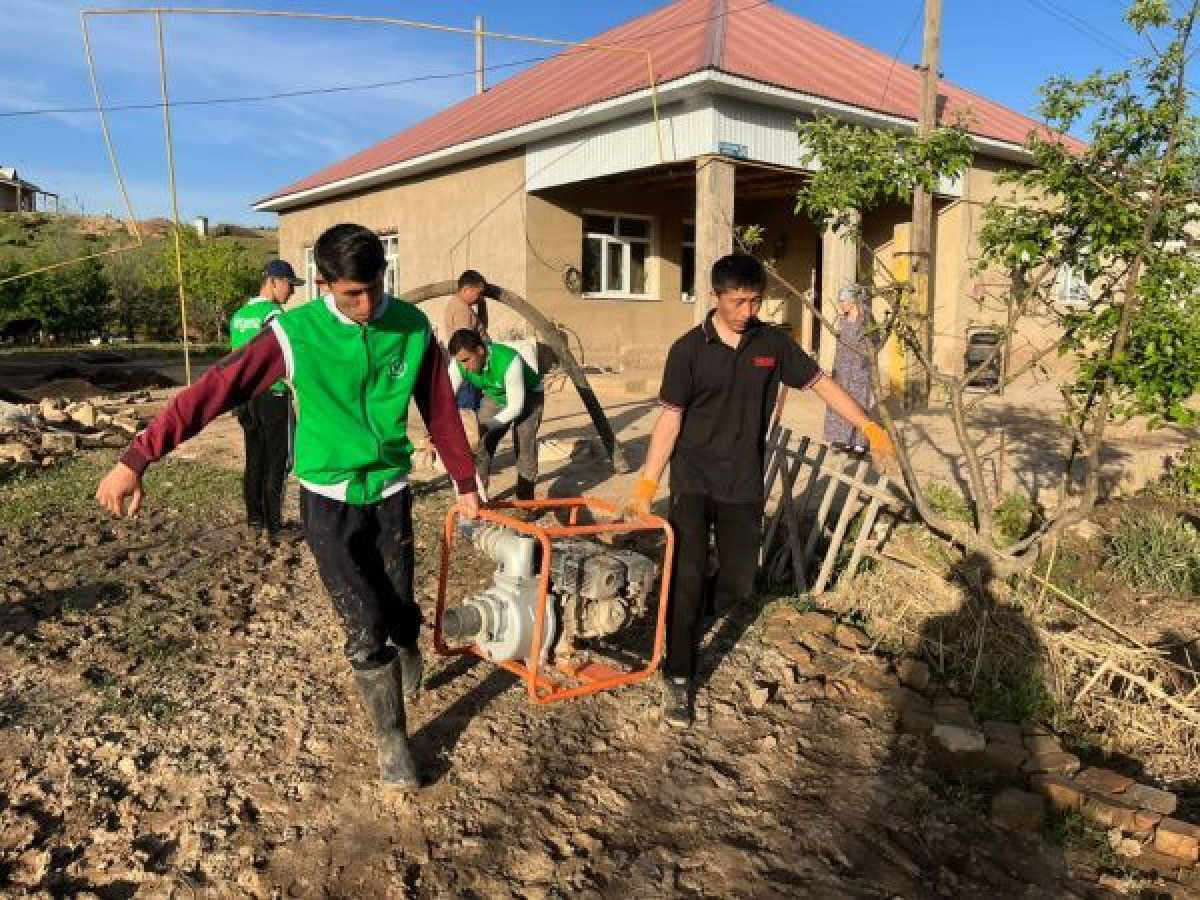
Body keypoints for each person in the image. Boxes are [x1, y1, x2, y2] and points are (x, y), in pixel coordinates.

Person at [96, 224, 479, 788]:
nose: (366, 304)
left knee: (399, 606)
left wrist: (465, 479)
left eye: (375, 287)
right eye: (352, 294)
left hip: (390, 493)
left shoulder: (412, 326)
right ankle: (393, 740)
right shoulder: (292, 334)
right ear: (324, 284)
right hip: (327, 499)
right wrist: (137, 457)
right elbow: (214, 390)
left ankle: (409, 643)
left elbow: (440, 407)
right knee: (362, 623)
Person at [623, 254, 895, 728]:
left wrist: (868, 426)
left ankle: (679, 618)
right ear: (716, 297)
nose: (747, 311)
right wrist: (648, 483)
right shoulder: (688, 350)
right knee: (687, 578)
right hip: (692, 479)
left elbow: (822, 385)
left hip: (744, 481)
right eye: (738, 302)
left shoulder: (772, 344)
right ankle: (679, 674)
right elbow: (670, 419)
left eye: (754, 301)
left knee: (738, 584)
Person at [228, 259, 303, 540]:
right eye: (289, 285)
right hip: (273, 394)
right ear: (272, 282)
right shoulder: (274, 314)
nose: (291, 292)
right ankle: (275, 526)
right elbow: (286, 353)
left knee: (255, 458)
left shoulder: (239, 316)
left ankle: (255, 518)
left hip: (244, 397)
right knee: (278, 461)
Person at [447, 328, 543, 503]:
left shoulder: (508, 360)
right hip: (496, 395)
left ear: (480, 350)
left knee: (524, 444)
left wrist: (485, 426)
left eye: (467, 360)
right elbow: (446, 400)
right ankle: (478, 499)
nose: (464, 366)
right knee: (481, 443)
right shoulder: (458, 365)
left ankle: (526, 502)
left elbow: (515, 407)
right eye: (460, 362)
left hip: (528, 395)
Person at [823, 284, 882, 455]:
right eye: (840, 301)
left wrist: (866, 356)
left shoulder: (866, 317)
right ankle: (843, 440)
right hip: (842, 368)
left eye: (843, 301)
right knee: (840, 401)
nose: (841, 304)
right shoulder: (842, 319)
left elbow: (876, 340)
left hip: (860, 369)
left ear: (852, 300)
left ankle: (859, 442)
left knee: (859, 403)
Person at [443, 270, 490, 435]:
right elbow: (466, 344)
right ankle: (469, 446)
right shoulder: (462, 310)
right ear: (466, 289)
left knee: (468, 412)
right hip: (469, 367)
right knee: (468, 412)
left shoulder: (462, 306)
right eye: (478, 293)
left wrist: (482, 306)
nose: (479, 297)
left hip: (469, 365)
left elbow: (482, 327)